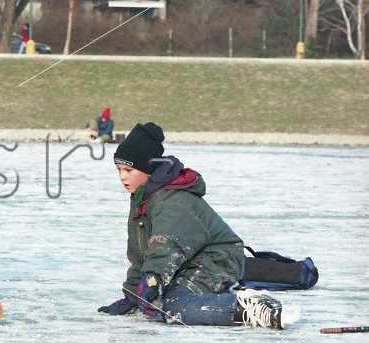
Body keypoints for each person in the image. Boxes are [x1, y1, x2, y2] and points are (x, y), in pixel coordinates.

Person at [98, 122, 299, 329]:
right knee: (156, 303)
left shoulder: (171, 200)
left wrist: (152, 279)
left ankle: (247, 308)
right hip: (189, 259)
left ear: (148, 168)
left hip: (217, 258)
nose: (122, 176)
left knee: (172, 306)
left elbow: (166, 245)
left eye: (129, 169)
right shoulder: (142, 197)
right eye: (119, 170)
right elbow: (141, 253)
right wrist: (132, 295)